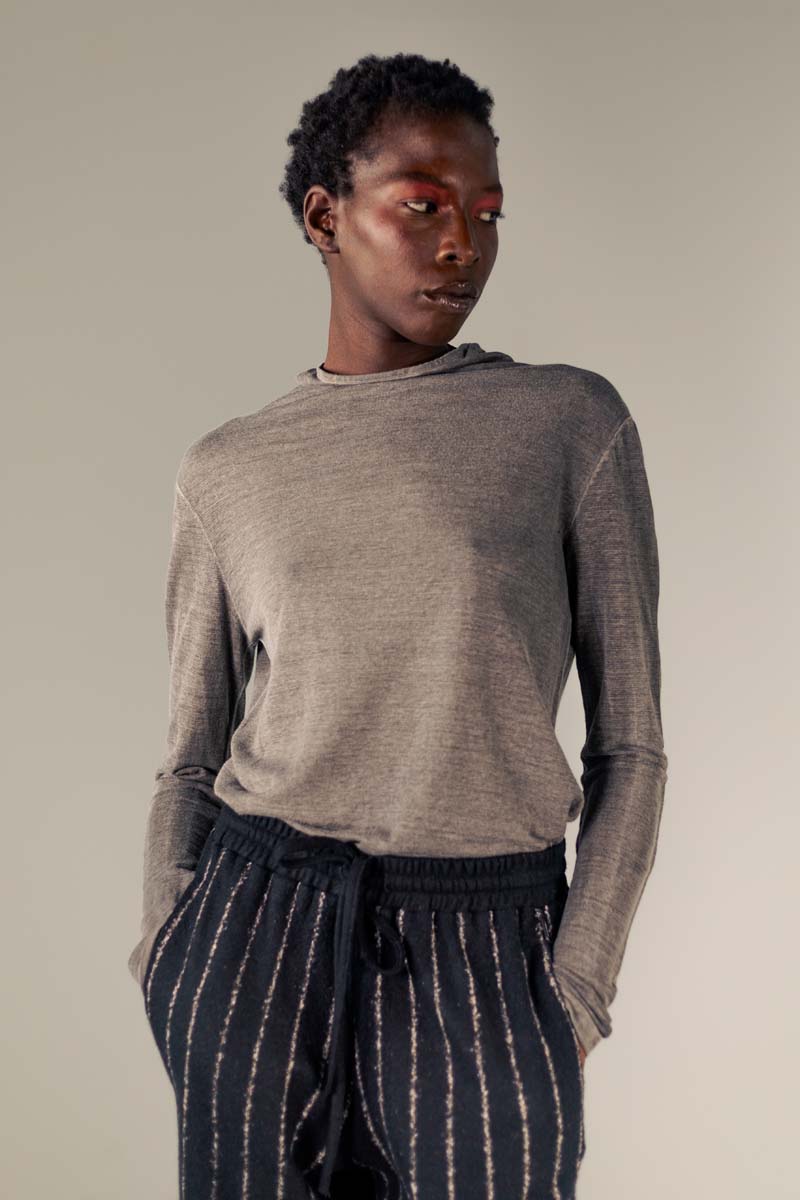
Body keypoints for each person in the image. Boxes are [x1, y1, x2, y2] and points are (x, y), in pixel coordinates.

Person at [128, 51, 668, 1200]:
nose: (461, 242)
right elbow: (189, 753)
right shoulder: (228, 469)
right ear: (324, 216)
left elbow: (630, 746)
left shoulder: (565, 424)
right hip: (250, 940)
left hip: (486, 956)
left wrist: (573, 993)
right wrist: (169, 950)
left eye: (485, 212)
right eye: (421, 205)